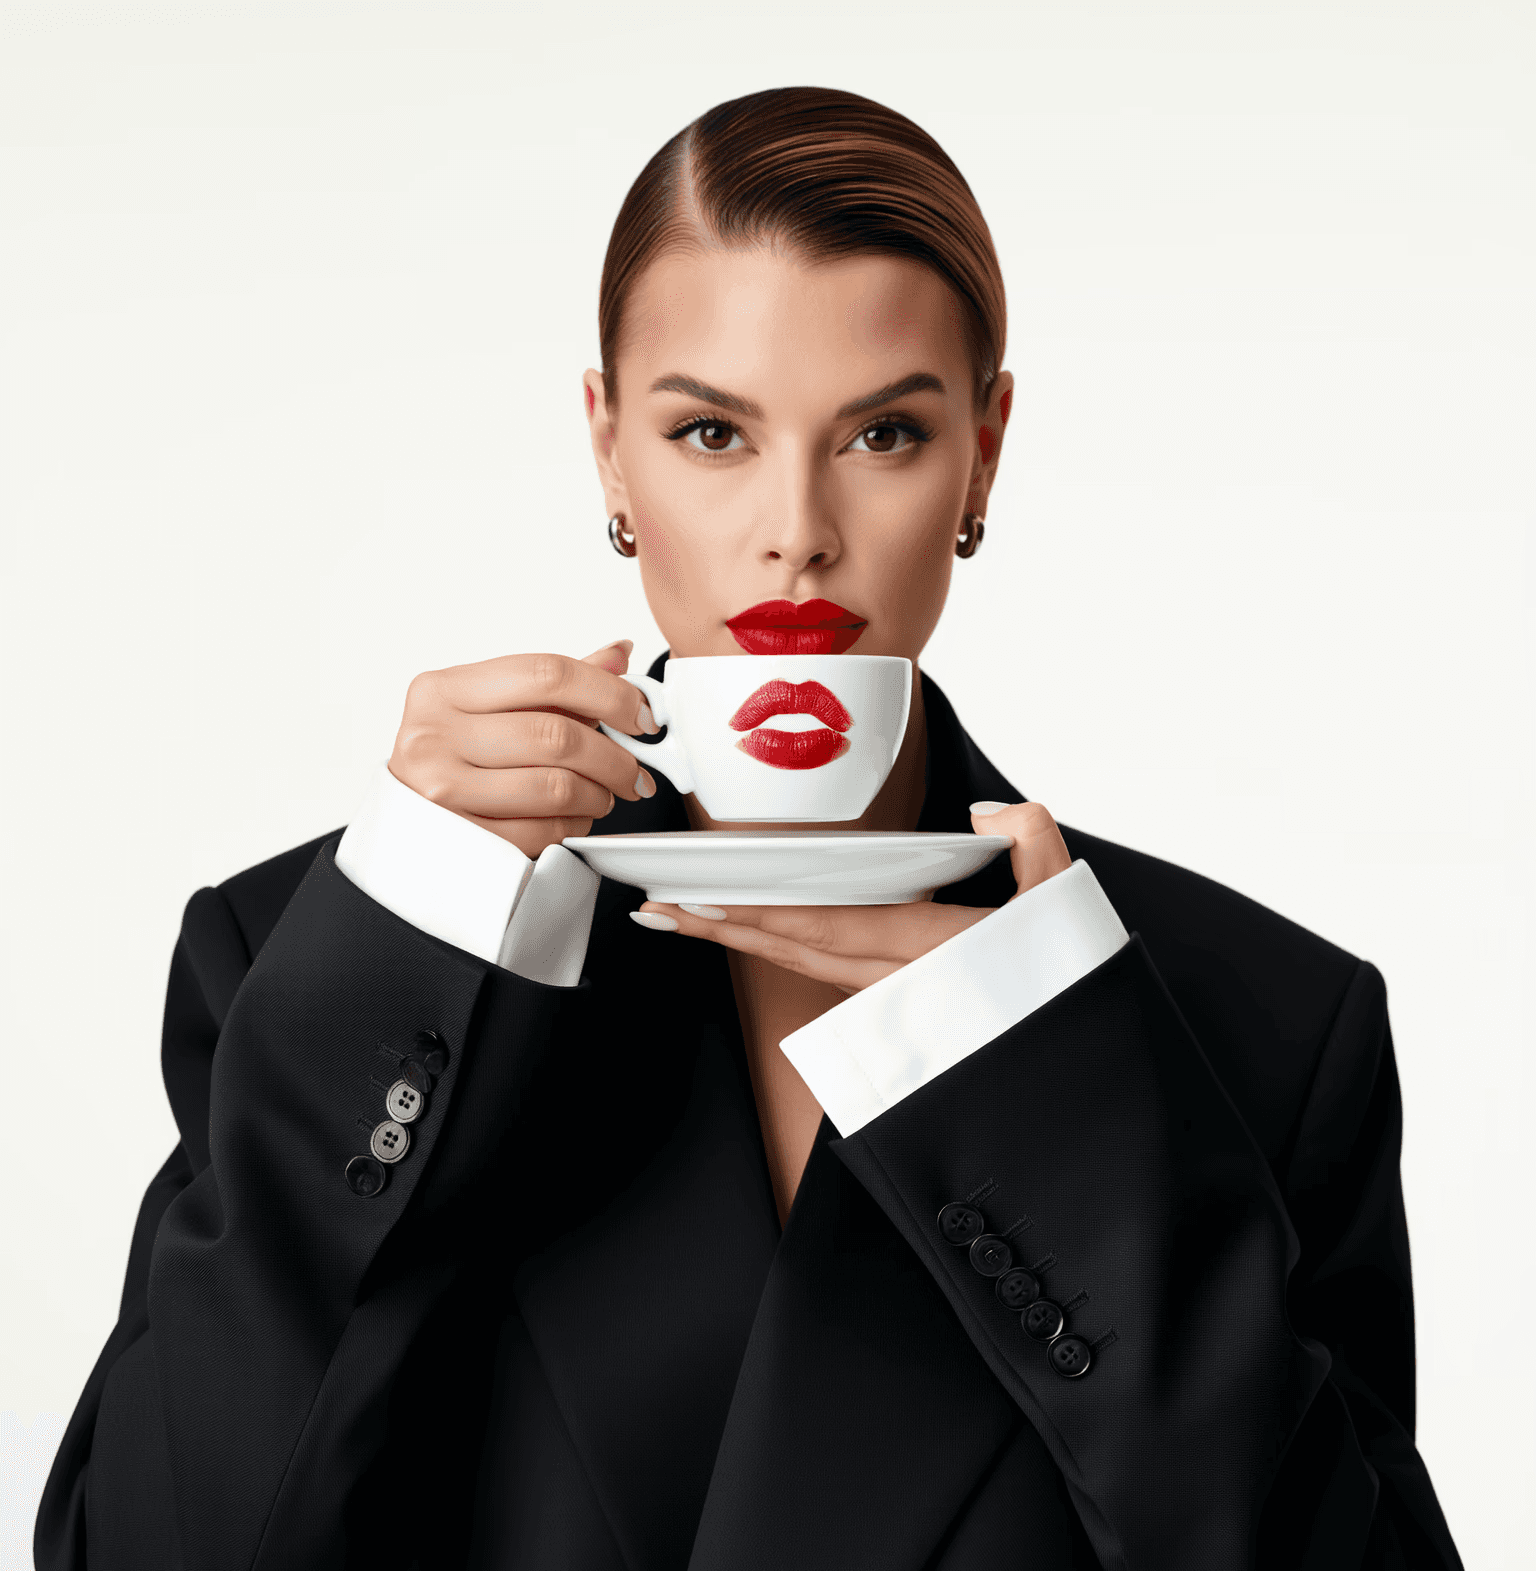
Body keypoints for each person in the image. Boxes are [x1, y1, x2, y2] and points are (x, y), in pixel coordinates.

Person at [37, 87, 1462, 1571]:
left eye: (885, 433)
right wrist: (403, 947)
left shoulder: (1259, 1026)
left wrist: (1061, 1127)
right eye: (711, 430)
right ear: (610, 448)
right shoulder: (338, 962)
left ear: (982, 452)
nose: (798, 530)